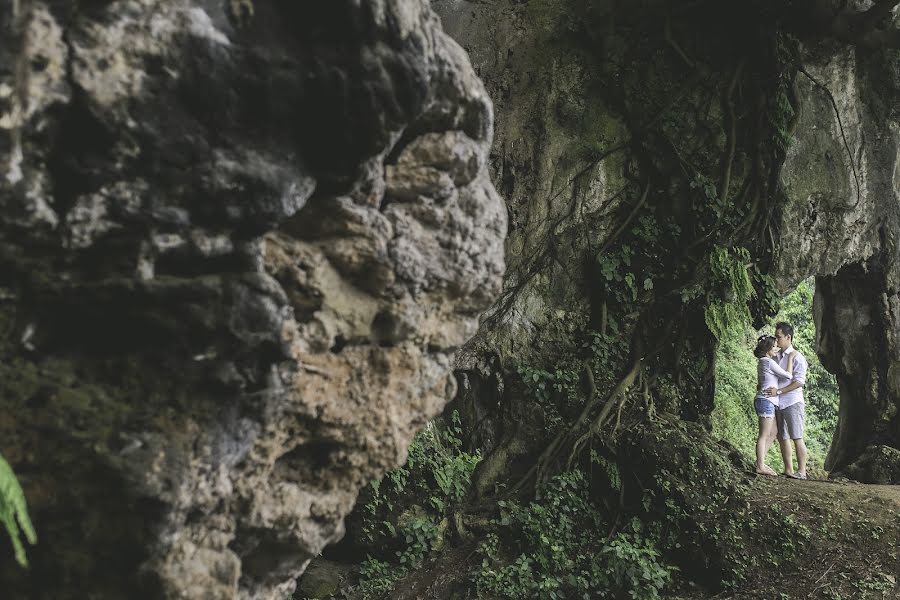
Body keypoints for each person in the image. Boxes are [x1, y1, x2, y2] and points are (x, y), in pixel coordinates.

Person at [764, 322, 808, 479]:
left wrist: (780, 391)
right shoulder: (775, 357)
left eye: (779, 337)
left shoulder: (798, 357)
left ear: (788, 337)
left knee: (797, 436)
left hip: (792, 401)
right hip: (778, 401)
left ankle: (802, 471)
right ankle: (788, 470)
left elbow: (799, 382)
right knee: (782, 437)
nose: (776, 341)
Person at [753, 335, 794, 476]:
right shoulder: (768, 362)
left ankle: (760, 461)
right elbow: (788, 376)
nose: (776, 348)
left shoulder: (763, 362)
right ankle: (760, 466)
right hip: (766, 401)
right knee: (764, 435)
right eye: (774, 346)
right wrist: (790, 358)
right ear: (768, 348)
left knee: (773, 432)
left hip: (767, 401)